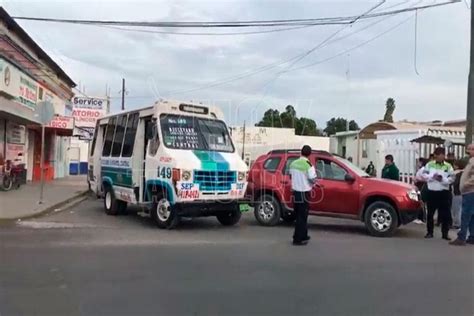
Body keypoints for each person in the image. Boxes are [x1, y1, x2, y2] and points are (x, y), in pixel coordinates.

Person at [419, 147, 455, 240]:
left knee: (445, 214)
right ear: (435, 155)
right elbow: (423, 175)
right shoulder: (429, 164)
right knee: (430, 213)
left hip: (444, 192)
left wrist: (443, 179)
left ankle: (445, 234)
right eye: (439, 155)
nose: (441, 157)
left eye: (443, 155)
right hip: (432, 192)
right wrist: (432, 177)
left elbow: (452, 178)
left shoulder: (448, 166)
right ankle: (430, 232)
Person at [289, 145, 317, 246]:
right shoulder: (308, 165)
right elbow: (313, 179)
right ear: (309, 154)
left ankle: (304, 235)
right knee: (302, 216)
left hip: (295, 192)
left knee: (300, 215)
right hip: (304, 193)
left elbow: (290, 175)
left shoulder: (293, 163)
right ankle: (297, 239)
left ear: (301, 152)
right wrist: (314, 184)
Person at [450, 143, 474, 246]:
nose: (468, 152)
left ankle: (461, 237)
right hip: (469, 191)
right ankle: (472, 236)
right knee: (472, 215)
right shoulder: (471, 161)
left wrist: (465, 185)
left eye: (470, 149)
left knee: (466, 214)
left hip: (470, 191)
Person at [450, 160, 466, 229]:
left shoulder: (457, 174)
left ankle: (457, 223)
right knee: (461, 208)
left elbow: (455, 183)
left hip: (457, 193)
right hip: (464, 193)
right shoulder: (465, 173)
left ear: (457, 166)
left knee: (456, 209)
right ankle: (461, 223)